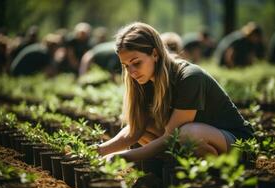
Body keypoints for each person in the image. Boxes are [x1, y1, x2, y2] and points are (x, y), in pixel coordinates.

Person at [98, 22, 254, 162]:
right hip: (196, 136)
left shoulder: (190, 77)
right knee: (143, 125)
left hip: (237, 142)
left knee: (187, 135)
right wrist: (98, 151)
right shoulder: (144, 81)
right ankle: (177, 165)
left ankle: (214, 175)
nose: (131, 72)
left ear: (155, 54)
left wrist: (123, 157)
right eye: (126, 66)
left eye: (136, 63)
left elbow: (171, 137)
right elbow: (134, 131)